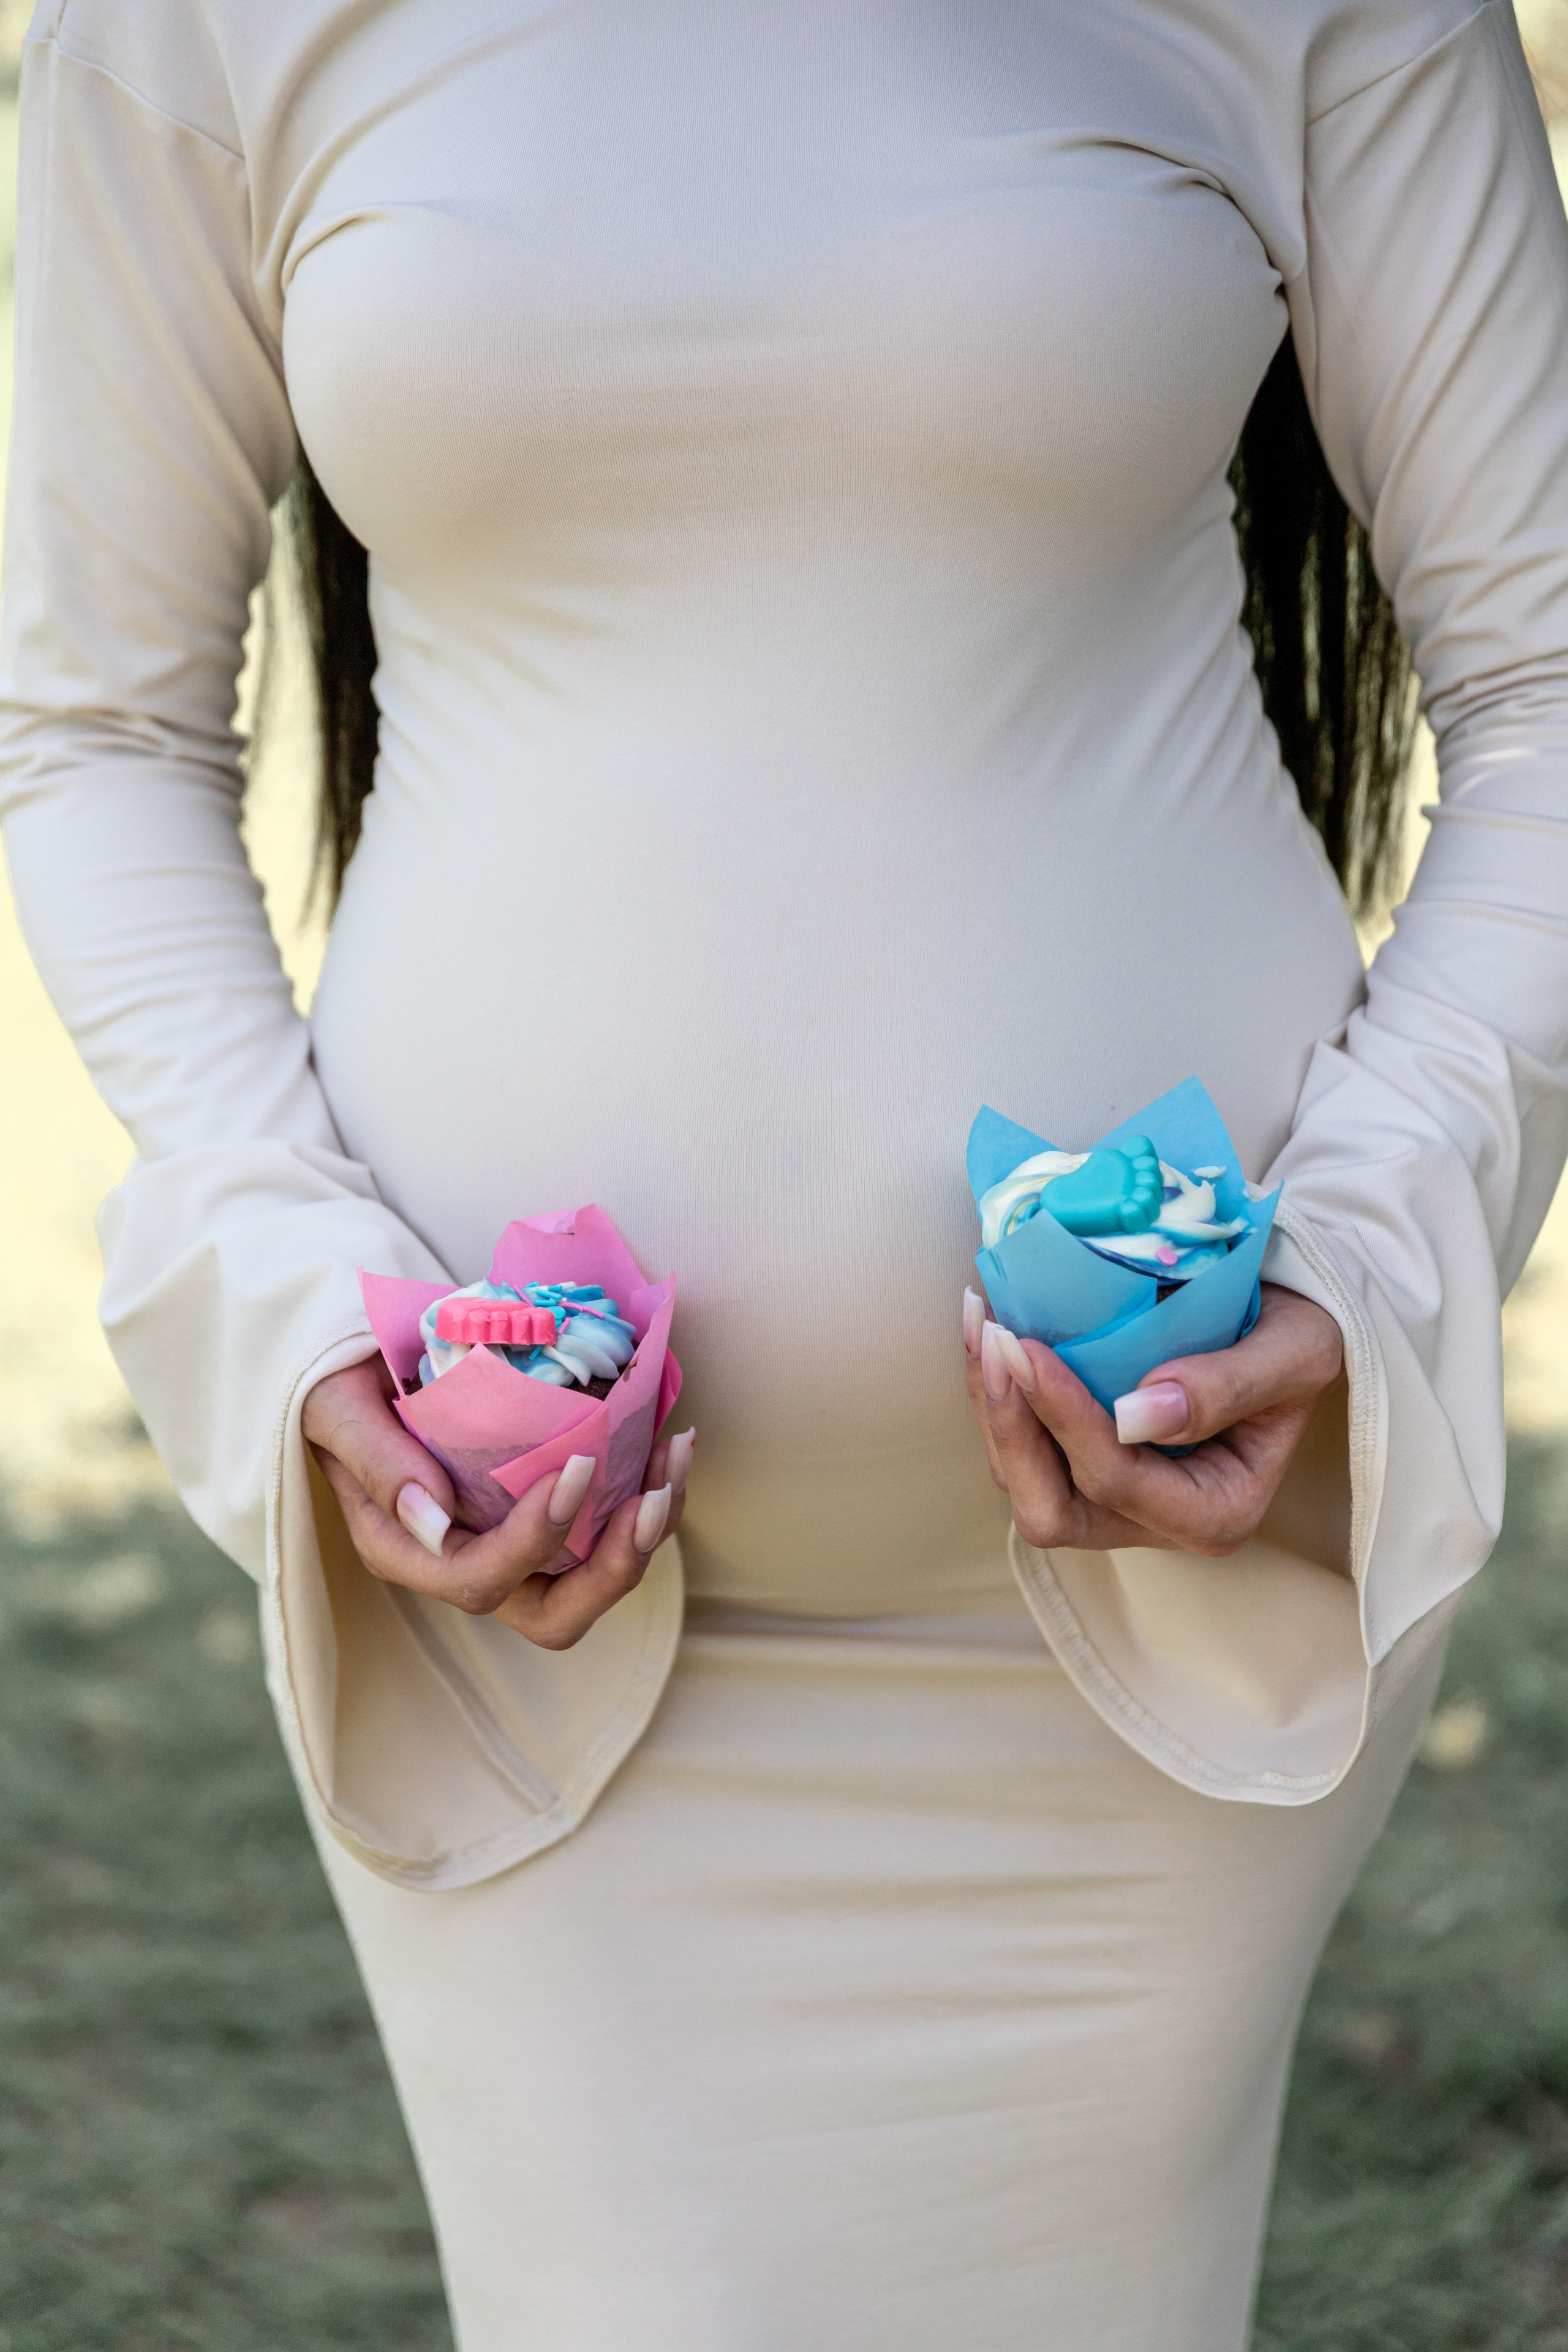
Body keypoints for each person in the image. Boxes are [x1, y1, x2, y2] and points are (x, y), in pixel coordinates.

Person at [2, 2, 1565, 2343]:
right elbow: (85, 722)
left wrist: (1360, 1251)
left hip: (1157, 1618)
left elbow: (1548, 671)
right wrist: (292, 1273)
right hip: (529, 1652)